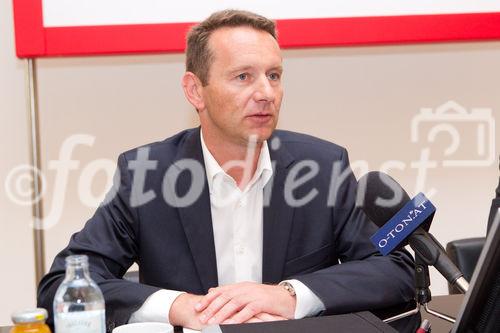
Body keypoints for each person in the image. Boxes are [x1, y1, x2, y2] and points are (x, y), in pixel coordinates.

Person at [37, 9, 417, 331]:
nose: (266, 93)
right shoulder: (147, 176)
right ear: (194, 91)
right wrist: (178, 306)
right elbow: (61, 287)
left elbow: (395, 270)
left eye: (274, 75)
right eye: (243, 77)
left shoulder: (322, 167)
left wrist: (287, 295)